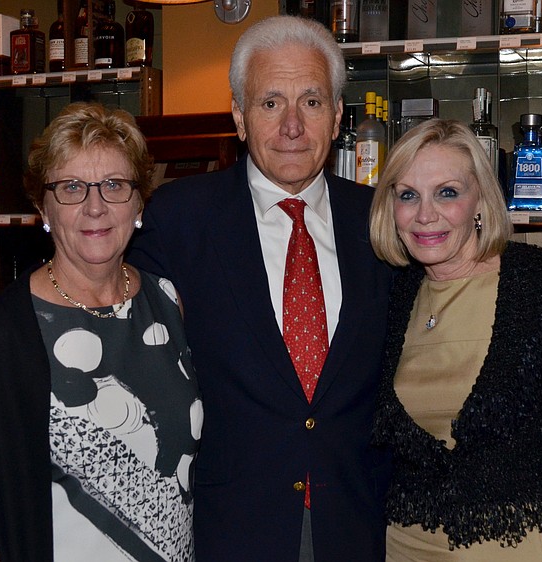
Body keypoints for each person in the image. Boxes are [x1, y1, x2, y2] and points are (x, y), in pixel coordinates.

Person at [127, 15, 392, 561]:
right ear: (239, 117)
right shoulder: (179, 219)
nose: (292, 125)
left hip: (358, 526)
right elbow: (108, 331)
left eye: (311, 102)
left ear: (337, 117)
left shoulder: (382, 222)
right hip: (230, 529)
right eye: (271, 103)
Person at [0, 102, 202, 562]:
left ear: (139, 202)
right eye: (72, 187)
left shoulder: (168, 302)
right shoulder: (5, 332)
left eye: (114, 185)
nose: (95, 206)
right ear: (43, 207)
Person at [368, 119, 542, 561]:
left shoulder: (541, 284)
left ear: (480, 200)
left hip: (522, 547)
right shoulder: (394, 292)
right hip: (406, 546)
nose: (425, 214)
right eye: (408, 195)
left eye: (447, 192)